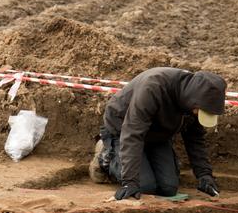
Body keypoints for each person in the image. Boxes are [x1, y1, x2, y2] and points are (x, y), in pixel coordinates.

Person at [89, 67, 227, 200]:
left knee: (168, 188)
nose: (198, 114)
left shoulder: (195, 101)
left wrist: (204, 175)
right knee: (144, 186)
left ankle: (144, 159)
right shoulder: (153, 87)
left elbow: (195, 139)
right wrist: (129, 181)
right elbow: (132, 133)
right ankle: (105, 155)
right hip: (124, 129)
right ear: (193, 100)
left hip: (157, 135)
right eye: (199, 111)